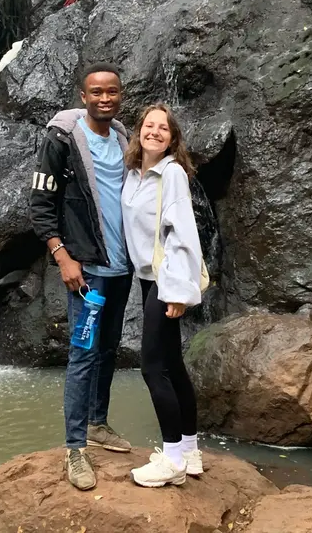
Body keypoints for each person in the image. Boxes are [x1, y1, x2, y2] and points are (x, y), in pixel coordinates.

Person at [30, 63, 133, 491]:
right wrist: (63, 257)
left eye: (112, 91)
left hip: (122, 266)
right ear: (83, 96)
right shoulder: (61, 139)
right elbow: (40, 205)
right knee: (83, 354)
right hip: (86, 269)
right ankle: (75, 448)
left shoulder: (125, 138)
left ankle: (97, 423)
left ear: (120, 95)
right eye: (96, 92)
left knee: (108, 348)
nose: (104, 98)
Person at [122, 103, 204, 488]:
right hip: (147, 277)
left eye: (163, 128)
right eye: (149, 125)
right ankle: (189, 450)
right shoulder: (134, 174)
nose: (154, 132)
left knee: (152, 367)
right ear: (139, 130)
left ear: (173, 139)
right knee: (172, 363)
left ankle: (171, 460)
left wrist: (176, 292)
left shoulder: (171, 173)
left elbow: (184, 235)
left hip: (165, 278)